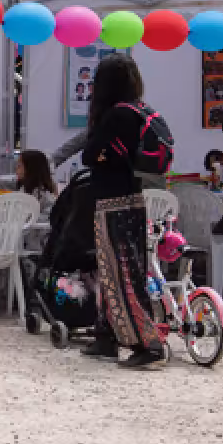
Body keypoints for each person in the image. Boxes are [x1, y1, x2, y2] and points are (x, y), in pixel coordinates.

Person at [80, 54, 168, 370]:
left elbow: (90, 155)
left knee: (122, 274)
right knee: (114, 271)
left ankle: (149, 343)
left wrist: (101, 154)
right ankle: (107, 335)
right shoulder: (139, 110)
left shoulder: (115, 115)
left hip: (111, 203)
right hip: (132, 199)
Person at [16, 149, 58, 219]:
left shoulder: (42, 194)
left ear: (31, 169)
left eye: (19, 166)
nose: (16, 169)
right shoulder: (25, 187)